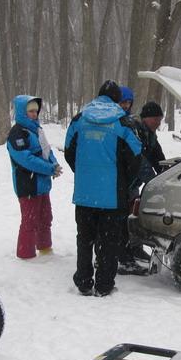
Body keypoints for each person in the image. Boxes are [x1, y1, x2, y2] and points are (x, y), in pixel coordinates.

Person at [64, 80, 142, 296]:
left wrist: (84, 174)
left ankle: (83, 280)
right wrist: (125, 182)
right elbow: (136, 157)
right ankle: (104, 284)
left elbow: (69, 152)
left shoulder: (79, 120)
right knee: (109, 242)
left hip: (85, 193)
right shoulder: (123, 123)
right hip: (112, 195)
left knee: (84, 239)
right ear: (117, 99)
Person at [6, 95, 62, 259]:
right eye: (30, 111)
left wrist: (54, 164)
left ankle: (45, 247)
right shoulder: (17, 133)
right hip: (28, 184)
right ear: (23, 112)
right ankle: (26, 254)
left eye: (36, 111)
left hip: (42, 183)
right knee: (29, 221)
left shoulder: (37, 129)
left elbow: (46, 150)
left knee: (45, 217)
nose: (34, 114)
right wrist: (49, 169)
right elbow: (26, 159)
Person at [117, 100, 167, 275]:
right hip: (123, 183)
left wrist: (168, 172)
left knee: (132, 217)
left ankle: (134, 248)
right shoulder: (135, 130)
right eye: (156, 120)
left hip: (133, 184)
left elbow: (157, 157)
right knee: (123, 219)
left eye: (160, 120)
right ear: (146, 118)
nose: (158, 123)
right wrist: (154, 182)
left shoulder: (150, 134)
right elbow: (140, 161)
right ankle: (122, 257)